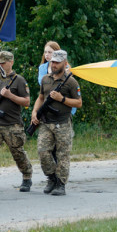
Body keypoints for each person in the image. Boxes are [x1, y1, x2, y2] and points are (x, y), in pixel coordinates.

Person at [0, 50, 33, 194]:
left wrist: (10, 95)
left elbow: (26, 102)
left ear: (11, 62)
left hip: (12, 124)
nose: (1, 66)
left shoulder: (19, 80)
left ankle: (27, 176)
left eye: (4, 63)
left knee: (17, 152)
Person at [31, 49, 82, 196]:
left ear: (64, 63)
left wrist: (62, 99)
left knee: (62, 155)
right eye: (52, 61)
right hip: (46, 122)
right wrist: (35, 112)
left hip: (62, 122)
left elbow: (78, 103)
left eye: (57, 62)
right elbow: (41, 97)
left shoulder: (71, 82)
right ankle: (52, 178)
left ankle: (61, 184)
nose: (53, 64)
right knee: (43, 152)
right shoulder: (46, 79)